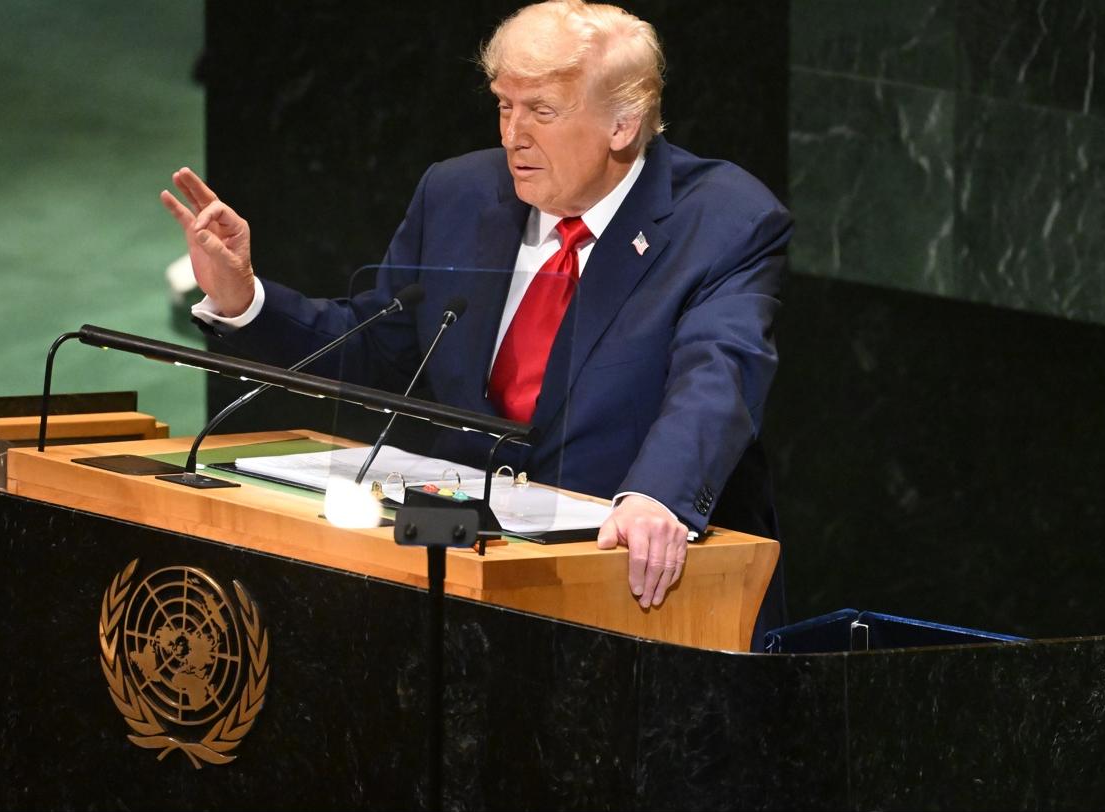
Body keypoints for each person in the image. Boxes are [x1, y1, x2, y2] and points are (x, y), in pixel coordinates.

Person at [158, 0, 789, 647]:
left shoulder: (722, 219)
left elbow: (716, 374)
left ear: (622, 125)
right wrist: (242, 296)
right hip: (460, 584)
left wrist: (657, 496)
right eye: (503, 105)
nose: (513, 134)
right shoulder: (459, 194)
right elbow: (375, 349)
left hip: (629, 590)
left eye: (541, 111)